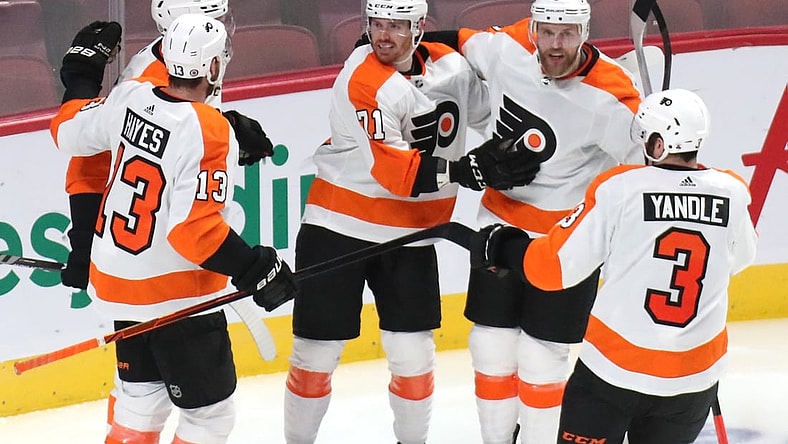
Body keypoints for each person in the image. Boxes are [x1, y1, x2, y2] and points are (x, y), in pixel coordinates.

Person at [282, 1, 540, 443]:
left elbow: (492, 120)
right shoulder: (361, 79)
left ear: (419, 27)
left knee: (414, 356)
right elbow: (394, 173)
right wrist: (464, 171)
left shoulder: (452, 69)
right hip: (338, 229)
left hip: (414, 236)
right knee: (315, 355)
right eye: (376, 24)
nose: (383, 36)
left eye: (396, 26)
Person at [50, 14, 297, 444]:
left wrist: (81, 78)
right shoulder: (210, 130)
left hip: (114, 287)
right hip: (173, 296)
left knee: (139, 405)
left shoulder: (129, 95)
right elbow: (194, 232)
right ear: (214, 67)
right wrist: (255, 265)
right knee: (209, 419)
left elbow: (69, 135)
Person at [469, 88, 758, 444]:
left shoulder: (619, 188)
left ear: (656, 144)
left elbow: (554, 269)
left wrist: (503, 247)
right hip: (693, 380)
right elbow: (742, 258)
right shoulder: (732, 191)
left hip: (613, 376)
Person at [418, 0, 645, 441]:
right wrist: (394, 45)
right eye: (548, 33)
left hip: (566, 243)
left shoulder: (612, 98)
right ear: (535, 28)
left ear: (585, 33)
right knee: (490, 347)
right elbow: (459, 42)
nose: (556, 45)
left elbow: (642, 175)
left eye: (568, 34)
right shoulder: (508, 48)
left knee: (543, 359)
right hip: (498, 224)